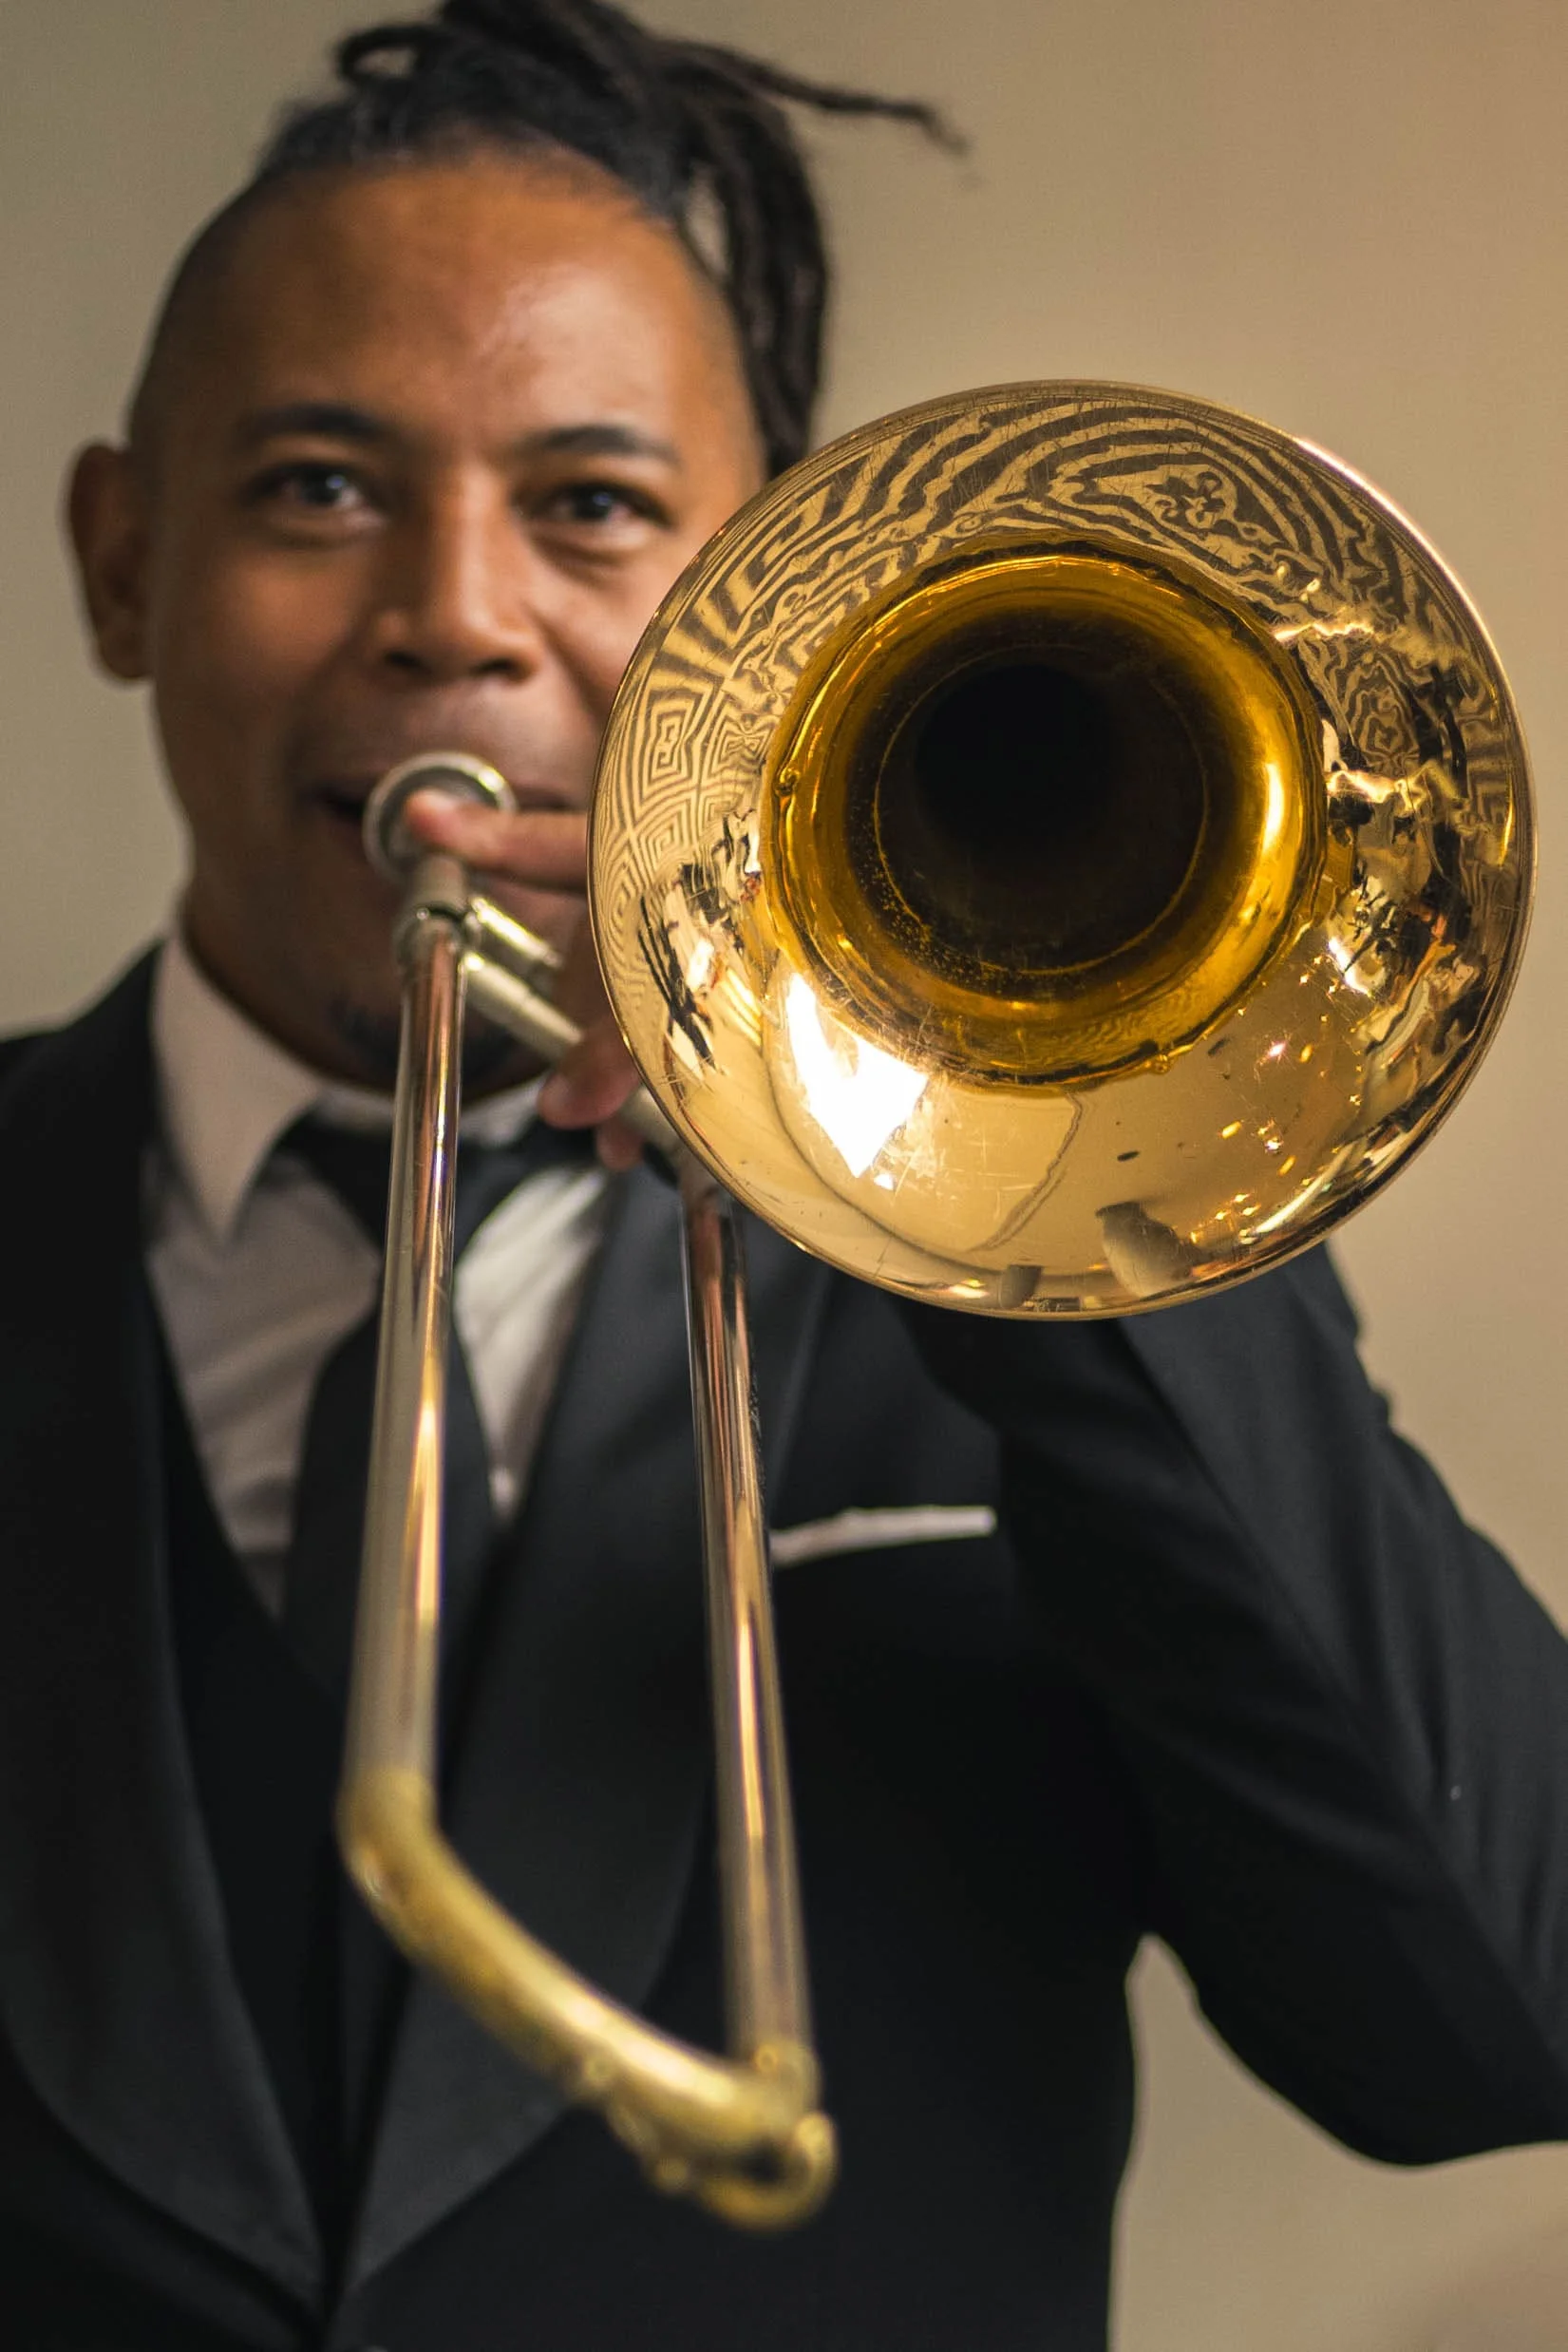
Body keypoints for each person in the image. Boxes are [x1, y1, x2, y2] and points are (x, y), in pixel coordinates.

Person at [4, 3, 1567, 2346]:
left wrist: (1002, 1170)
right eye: (318, 487)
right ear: (123, 563)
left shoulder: (1086, 1270)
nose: (457, 609)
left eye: (595, 506)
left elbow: (1485, 2023)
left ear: (758, 602)